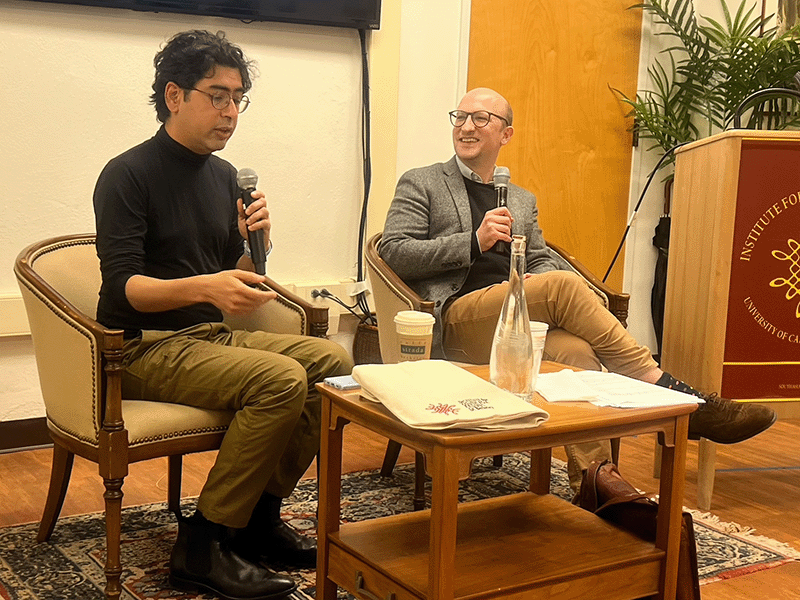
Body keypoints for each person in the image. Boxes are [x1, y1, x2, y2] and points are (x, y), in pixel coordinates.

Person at [380, 87, 776, 488]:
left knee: (577, 352)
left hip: (518, 321)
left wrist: (538, 277)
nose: (466, 126)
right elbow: (394, 251)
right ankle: (668, 390)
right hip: (460, 318)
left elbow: (541, 258)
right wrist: (472, 242)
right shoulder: (423, 182)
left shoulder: (520, 198)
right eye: (460, 116)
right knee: (564, 288)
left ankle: (597, 484)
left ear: (506, 134)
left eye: (481, 119)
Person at [93, 30, 353, 600]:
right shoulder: (127, 174)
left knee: (332, 362)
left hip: (205, 337)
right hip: (141, 345)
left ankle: (258, 517)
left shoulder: (224, 176)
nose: (230, 112)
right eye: (216, 95)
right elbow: (123, 286)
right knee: (280, 378)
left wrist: (255, 243)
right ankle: (203, 543)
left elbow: (230, 269)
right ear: (173, 95)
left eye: (238, 98)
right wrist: (207, 286)